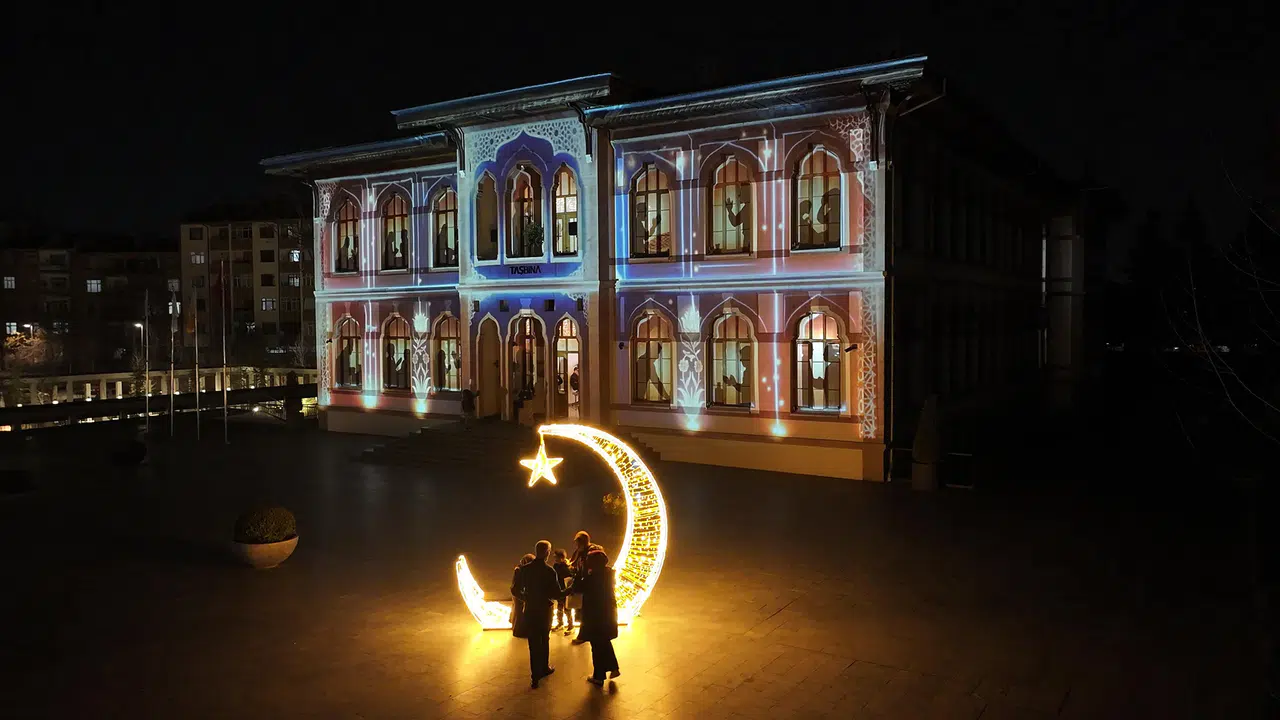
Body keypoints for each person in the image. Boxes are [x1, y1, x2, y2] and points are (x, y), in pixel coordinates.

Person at [511, 540, 564, 688]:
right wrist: (570, 589)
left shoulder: (525, 570)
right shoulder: (549, 571)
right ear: (547, 552)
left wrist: (526, 598)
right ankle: (544, 668)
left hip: (530, 610)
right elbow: (556, 593)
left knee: (533, 643)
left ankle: (535, 676)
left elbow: (515, 589)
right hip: (545, 610)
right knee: (544, 639)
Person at [568, 549, 620, 686]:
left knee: (596, 646)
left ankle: (599, 676)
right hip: (608, 614)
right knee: (604, 642)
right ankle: (613, 668)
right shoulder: (608, 573)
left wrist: (579, 573)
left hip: (595, 616)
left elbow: (578, 588)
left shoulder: (592, 578)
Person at [568, 531, 604, 642]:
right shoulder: (580, 552)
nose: (577, 545)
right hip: (585, 585)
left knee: (587, 612)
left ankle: (585, 635)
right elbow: (574, 564)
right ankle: (586, 634)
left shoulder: (592, 551)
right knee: (584, 612)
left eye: (578, 542)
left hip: (591, 586)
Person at [509, 553, 535, 630]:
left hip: (520, 595)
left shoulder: (521, 569)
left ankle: (519, 629)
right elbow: (516, 587)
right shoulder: (520, 570)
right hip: (520, 595)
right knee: (519, 614)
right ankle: (520, 630)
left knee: (518, 613)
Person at [551, 549, 573, 631]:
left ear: (561, 557)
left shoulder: (567, 567)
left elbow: (569, 578)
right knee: (560, 608)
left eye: (556, 557)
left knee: (567, 609)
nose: (555, 559)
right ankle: (560, 623)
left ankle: (570, 625)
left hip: (565, 590)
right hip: (559, 589)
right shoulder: (556, 566)